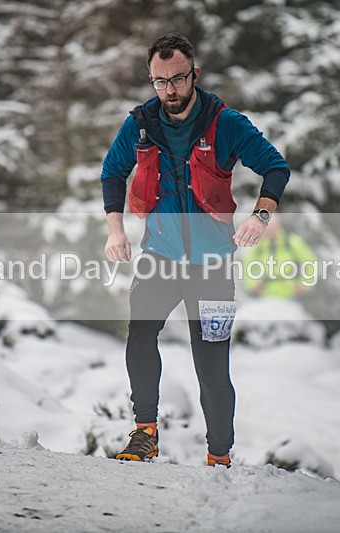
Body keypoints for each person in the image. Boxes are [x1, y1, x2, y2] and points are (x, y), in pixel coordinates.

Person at [100, 33, 291, 468]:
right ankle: (145, 433)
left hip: (212, 265)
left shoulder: (225, 123)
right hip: (160, 258)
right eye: (159, 81)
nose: (170, 89)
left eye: (178, 79)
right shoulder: (141, 123)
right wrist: (115, 229)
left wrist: (261, 215)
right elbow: (112, 173)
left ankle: (218, 456)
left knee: (211, 366)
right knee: (141, 334)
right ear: (151, 79)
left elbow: (276, 166)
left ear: (194, 75)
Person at [243, 215, 317, 300]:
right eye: (267, 230)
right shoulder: (258, 246)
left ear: (279, 227)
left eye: (273, 229)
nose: (271, 234)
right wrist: (253, 284)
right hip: (265, 298)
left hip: (291, 298)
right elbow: (247, 266)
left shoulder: (292, 242)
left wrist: (304, 284)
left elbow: (312, 263)